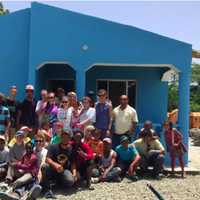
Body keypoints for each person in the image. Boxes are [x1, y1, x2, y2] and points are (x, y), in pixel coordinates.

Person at [41, 129, 75, 198]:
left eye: (67, 137)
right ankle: (47, 189)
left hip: (64, 170)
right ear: (60, 137)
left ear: (69, 138)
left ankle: (58, 183)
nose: (65, 139)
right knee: (45, 167)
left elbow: (73, 163)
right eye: (63, 137)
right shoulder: (53, 146)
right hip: (53, 169)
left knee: (70, 181)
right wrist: (55, 165)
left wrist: (74, 173)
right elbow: (47, 159)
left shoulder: (71, 149)